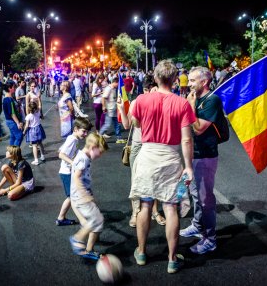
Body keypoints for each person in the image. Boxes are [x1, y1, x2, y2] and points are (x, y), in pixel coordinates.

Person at [129, 59, 195, 274]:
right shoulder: (182, 103)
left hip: (147, 156)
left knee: (145, 206)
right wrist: (189, 167)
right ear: (175, 80)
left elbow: (135, 124)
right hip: (171, 159)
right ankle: (172, 259)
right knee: (170, 207)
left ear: (156, 78)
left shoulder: (141, 100)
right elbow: (187, 140)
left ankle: (141, 252)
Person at [180, 66, 225, 254]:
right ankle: (198, 226)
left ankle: (210, 239)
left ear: (204, 82)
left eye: (192, 81)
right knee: (195, 195)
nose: (188, 84)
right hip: (193, 154)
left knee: (206, 200)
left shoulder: (211, 100)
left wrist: (189, 106)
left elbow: (198, 128)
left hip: (205, 155)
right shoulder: (195, 98)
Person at [117, 76, 167, 228]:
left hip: (155, 145)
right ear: (145, 90)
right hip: (139, 146)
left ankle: (155, 211)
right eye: (148, 90)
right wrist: (121, 109)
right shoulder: (136, 102)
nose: (152, 92)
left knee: (155, 179)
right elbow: (126, 126)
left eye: (155, 89)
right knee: (137, 181)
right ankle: (135, 212)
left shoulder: (162, 103)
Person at [69, 133, 109, 260]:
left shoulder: (82, 155)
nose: (100, 155)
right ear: (93, 147)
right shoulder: (83, 159)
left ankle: (89, 249)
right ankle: (77, 239)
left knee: (97, 221)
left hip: (81, 195)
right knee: (96, 220)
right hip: (81, 197)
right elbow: (76, 177)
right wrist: (85, 196)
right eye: (100, 152)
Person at [56, 117, 92, 226]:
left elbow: (61, 150)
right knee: (72, 197)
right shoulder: (72, 140)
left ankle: (61, 218)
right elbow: (61, 154)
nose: (85, 134)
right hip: (66, 172)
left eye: (87, 132)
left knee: (72, 197)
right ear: (76, 129)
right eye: (83, 131)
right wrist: (73, 163)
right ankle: (82, 220)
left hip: (68, 171)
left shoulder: (73, 139)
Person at [24, 101, 46, 165]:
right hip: (39, 128)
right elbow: (39, 107)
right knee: (40, 143)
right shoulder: (38, 112)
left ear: (29, 109)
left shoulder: (28, 116)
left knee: (34, 145)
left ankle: (36, 160)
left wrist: (24, 131)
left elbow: (27, 125)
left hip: (32, 130)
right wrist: (39, 99)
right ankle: (42, 156)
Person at [2, 81, 24, 146]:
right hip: (12, 121)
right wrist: (18, 123)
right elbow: (12, 113)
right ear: (9, 88)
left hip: (11, 120)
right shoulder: (9, 99)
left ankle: (11, 152)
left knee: (13, 136)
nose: (15, 88)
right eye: (14, 87)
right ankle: (14, 153)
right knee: (19, 136)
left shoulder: (10, 98)